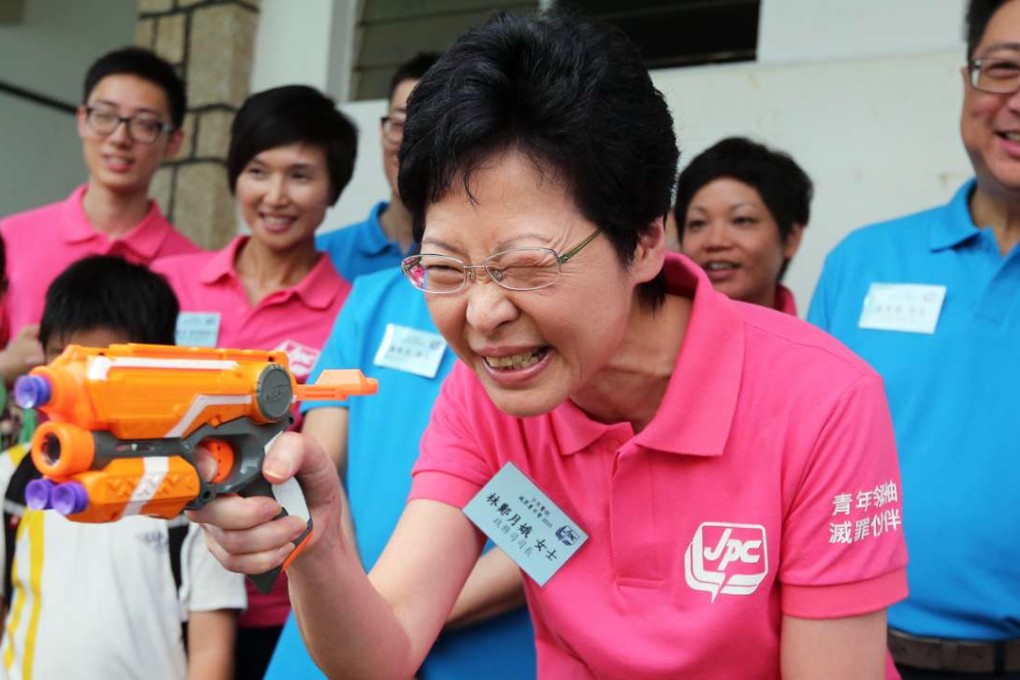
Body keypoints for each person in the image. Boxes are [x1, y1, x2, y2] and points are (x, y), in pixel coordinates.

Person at [193, 12, 908, 679]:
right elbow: (382, 650)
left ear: (646, 239)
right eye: (445, 268)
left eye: (528, 266)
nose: (482, 313)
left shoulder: (823, 400)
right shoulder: (482, 399)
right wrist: (320, 547)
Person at [808, 1, 1020, 677]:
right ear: (967, 82)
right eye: (1005, 69)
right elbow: (794, 458)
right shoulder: (863, 263)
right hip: (857, 655)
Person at [153, 84, 357, 679]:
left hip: (280, 598)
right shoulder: (171, 284)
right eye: (257, 170)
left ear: (333, 188)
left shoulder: (349, 313)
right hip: (160, 579)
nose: (275, 195)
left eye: (300, 175)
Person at [0, 255, 245, 680]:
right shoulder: (13, 475)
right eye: (59, 357)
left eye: (95, 364)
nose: (69, 382)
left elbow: (210, 651)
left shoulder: (197, 488)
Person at [0, 47, 199, 386]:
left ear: (174, 142)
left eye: (144, 124)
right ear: (81, 119)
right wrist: (7, 364)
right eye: (104, 116)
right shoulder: (10, 237)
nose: (120, 138)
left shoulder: (195, 268)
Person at [315, 53, 438, 280]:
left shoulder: (468, 263)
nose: (409, 143)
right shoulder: (321, 256)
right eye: (400, 124)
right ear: (382, 131)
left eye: (426, 127)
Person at [675, 137, 811, 315]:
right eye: (698, 223)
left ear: (791, 239)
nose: (716, 241)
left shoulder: (817, 341)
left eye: (741, 220)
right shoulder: (653, 339)